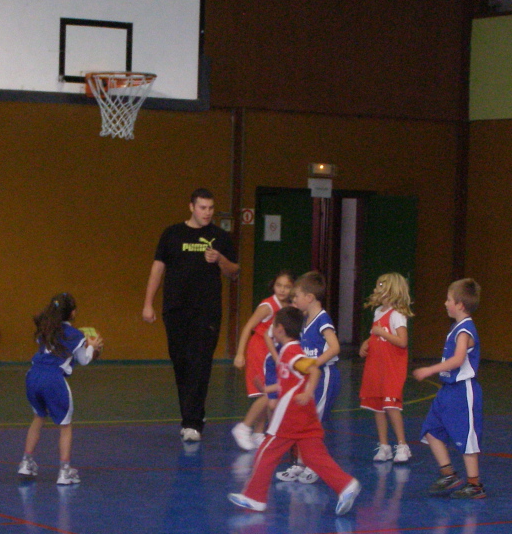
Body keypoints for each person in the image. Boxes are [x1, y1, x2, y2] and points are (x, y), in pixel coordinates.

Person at [229, 306, 361, 515]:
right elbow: (289, 382)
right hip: (304, 415)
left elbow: (313, 370)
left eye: (273, 326)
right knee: (314, 456)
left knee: (266, 452)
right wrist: (267, 389)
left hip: (290, 414)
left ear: (280, 329)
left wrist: (309, 392)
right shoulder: (288, 351)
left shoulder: (291, 351)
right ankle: (345, 485)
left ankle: (255, 497)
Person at [142, 188, 239, 442]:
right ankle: (194, 412)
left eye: (210, 208)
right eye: (202, 208)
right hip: (175, 310)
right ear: (191, 207)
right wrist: (148, 303)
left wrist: (219, 259)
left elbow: (234, 271)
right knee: (182, 364)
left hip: (206, 312)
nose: (207, 213)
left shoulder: (220, 237)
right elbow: (158, 268)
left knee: (200, 363)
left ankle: (192, 423)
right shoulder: (172, 234)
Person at [18, 292, 104, 485]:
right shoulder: (75, 335)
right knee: (65, 427)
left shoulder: (45, 329)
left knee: (38, 417)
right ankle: (65, 471)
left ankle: (26, 461)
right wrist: (93, 347)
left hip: (32, 376)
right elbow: (84, 360)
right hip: (52, 379)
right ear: (72, 313)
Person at [412, 278, 485, 499]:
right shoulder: (456, 327)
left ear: (460, 305)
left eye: (449, 299)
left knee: (466, 438)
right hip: (447, 392)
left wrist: (429, 369)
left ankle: (474, 484)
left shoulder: (465, 330)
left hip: (462, 392)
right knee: (431, 431)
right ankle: (449, 475)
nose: (445, 303)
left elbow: (458, 359)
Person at [275, 271, 340, 484]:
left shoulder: (322, 319)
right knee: (305, 422)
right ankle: (300, 464)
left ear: (309, 298)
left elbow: (335, 347)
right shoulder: (304, 320)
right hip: (312, 379)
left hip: (325, 377)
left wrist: (314, 364)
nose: (294, 300)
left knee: (313, 424)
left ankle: (313, 465)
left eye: (297, 296)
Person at [231, 270, 294, 450]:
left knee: (268, 394)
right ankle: (243, 428)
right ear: (273, 286)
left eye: (287, 286)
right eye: (279, 286)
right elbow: (248, 327)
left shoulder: (289, 306)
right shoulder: (268, 306)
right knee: (268, 393)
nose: (282, 290)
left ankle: (259, 433)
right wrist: (240, 353)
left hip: (272, 352)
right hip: (259, 350)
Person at [359, 273, 414, 463]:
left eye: (380, 286)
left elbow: (402, 341)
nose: (376, 289)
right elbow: (376, 336)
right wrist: (366, 343)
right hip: (376, 366)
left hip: (391, 367)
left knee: (391, 405)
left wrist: (382, 332)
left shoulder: (397, 314)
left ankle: (402, 445)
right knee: (378, 407)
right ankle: (384, 446)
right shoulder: (378, 312)